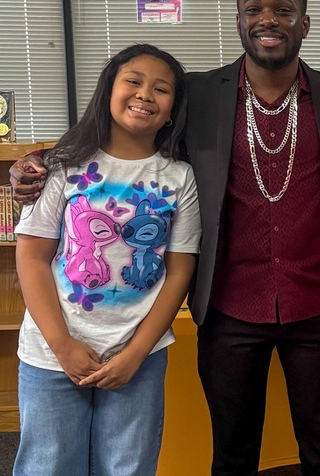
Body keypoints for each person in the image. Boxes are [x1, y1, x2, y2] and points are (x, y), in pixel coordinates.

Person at [11, 0, 320, 476]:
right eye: (254, 9)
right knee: (232, 451)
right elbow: (123, 140)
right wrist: (37, 163)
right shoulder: (197, 95)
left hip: (319, 302)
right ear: (239, 20)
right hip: (228, 304)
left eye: (283, 9)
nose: (268, 19)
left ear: (305, 23)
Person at [13, 43, 200, 475]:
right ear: (108, 91)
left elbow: (179, 272)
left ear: (172, 110)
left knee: (128, 466)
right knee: (49, 465)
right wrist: (62, 345)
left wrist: (136, 352)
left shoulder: (179, 176)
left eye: (161, 89)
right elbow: (32, 257)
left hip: (138, 356)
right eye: (133, 81)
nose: (145, 94)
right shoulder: (62, 165)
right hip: (52, 351)